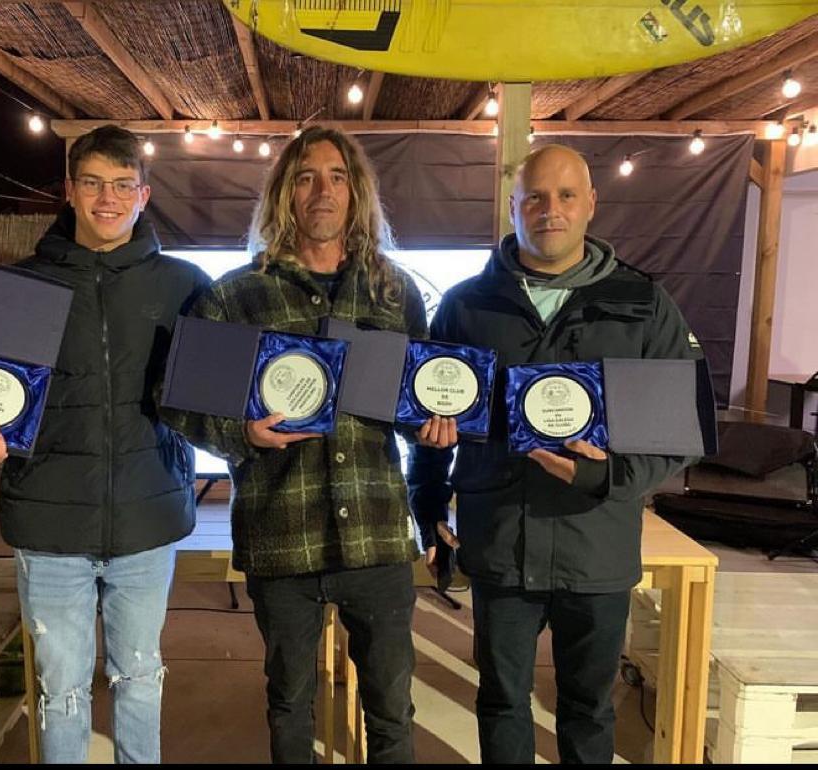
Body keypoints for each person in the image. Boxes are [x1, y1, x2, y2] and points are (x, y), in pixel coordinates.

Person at [408, 144, 703, 764]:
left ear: (591, 203)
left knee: (589, 711)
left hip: (595, 547)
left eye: (567, 195)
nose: (551, 210)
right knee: (501, 701)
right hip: (499, 545)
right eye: (535, 197)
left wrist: (605, 474)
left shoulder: (645, 305)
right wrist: (426, 497)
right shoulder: (466, 304)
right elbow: (431, 406)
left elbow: (678, 434)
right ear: (512, 208)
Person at [0, 125, 210, 764]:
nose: (106, 199)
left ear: (143, 194)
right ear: (69, 190)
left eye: (121, 186)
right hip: (49, 523)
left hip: (147, 517)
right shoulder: (22, 287)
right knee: (60, 690)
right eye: (92, 184)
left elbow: (207, 396)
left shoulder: (184, 285)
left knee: (140, 678)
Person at [162, 126, 443, 763]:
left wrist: (430, 422)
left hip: (375, 535)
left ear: (357, 193)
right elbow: (180, 404)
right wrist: (241, 435)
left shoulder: (394, 294)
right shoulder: (235, 295)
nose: (323, 191)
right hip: (281, 533)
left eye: (337, 177)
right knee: (289, 703)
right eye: (307, 177)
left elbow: (413, 402)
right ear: (285, 193)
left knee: (392, 709)